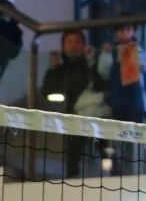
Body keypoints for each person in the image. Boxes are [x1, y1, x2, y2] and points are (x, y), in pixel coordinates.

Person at [41, 29, 107, 177]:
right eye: (69, 42)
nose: (73, 46)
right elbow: (47, 92)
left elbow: (101, 84)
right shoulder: (60, 69)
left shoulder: (92, 64)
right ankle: (73, 181)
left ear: (84, 45)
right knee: (73, 158)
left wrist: (91, 63)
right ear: (63, 46)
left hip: (97, 117)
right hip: (73, 118)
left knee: (105, 153)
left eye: (77, 42)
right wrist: (52, 69)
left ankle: (112, 178)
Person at [99, 21, 146, 174]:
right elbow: (103, 72)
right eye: (120, 30)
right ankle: (118, 173)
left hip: (135, 104)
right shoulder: (111, 53)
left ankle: (134, 173)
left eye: (128, 29)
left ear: (134, 31)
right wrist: (106, 54)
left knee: (134, 142)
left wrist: (131, 55)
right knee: (117, 142)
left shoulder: (140, 52)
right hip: (117, 104)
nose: (124, 33)